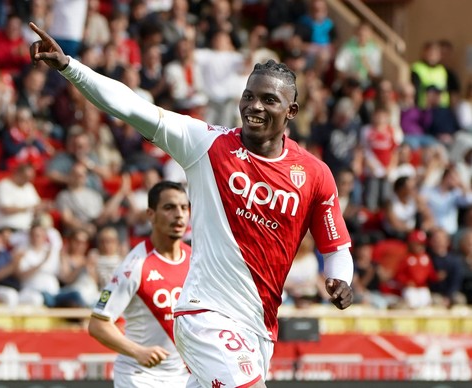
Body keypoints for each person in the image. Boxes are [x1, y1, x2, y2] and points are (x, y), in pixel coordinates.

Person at [30, 22, 353, 388]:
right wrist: (70, 67)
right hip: (205, 315)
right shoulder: (206, 144)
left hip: (259, 328)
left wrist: (341, 278)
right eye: (249, 96)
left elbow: (336, 247)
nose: (254, 106)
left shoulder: (314, 174)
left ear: (291, 111)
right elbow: (132, 107)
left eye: (268, 100)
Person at [88, 181, 191, 387]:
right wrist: (139, 352)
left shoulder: (196, 260)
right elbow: (98, 324)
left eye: (184, 207)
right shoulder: (134, 265)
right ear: (151, 215)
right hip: (140, 377)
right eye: (169, 208)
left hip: (184, 377)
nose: (179, 214)